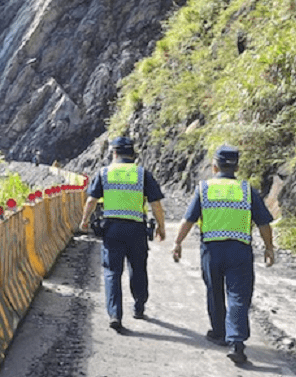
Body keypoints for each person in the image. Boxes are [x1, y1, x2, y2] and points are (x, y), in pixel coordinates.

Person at [172, 144, 275, 364]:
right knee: (238, 295)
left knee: (214, 291)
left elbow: (188, 220)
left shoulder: (204, 189)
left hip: (212, 249)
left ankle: (219, 332)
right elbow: (264, 223)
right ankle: (236, 342)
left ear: (214, 166)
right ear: (236, 167)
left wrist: (178, 242)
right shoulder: (247, 190)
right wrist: (269, 247)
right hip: (239, 249)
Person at [79, 136, 166, 331]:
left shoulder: (104, 173)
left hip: (112, 229)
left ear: (114, 153)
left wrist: (85, 220)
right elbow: (156, 204)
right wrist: (161, 226)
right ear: (133, 154)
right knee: (138, 268)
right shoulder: (143, 174)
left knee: (112, 271)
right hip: (137, 229)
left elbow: (91, 200)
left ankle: (115, 315)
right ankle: (139, 306)